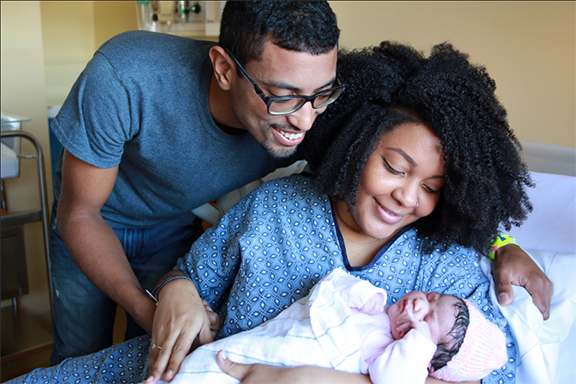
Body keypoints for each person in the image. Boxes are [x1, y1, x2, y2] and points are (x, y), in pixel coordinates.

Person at [9, 41, 547, 384]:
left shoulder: (444, 261)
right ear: (356, 143)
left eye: (432, 186)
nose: (408, 197)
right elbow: (192, 275)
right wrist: (176, 287)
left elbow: (496, 366)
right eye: (394, 166)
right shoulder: (275, 209)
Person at [48, 1, 341, 364]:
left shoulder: (314, 117)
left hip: (172, 226)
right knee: (80, 353)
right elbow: (79, 214)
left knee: (149, 357)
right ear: (224, 69)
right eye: (282, 97)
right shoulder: (127, 75)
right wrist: (148, 310)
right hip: (93, 221)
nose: (305, 121)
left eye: (321, 95)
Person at [159, 268, 508, 384]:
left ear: (428, 359)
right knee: (213, 362)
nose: (421, 304)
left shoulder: (402, 361)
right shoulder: (376, 307)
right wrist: (358, 292)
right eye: (431, 297)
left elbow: (394, 379)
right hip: (274, 345)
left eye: (427, 319)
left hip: (302, 363)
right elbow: (330, 287)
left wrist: (416, 343)